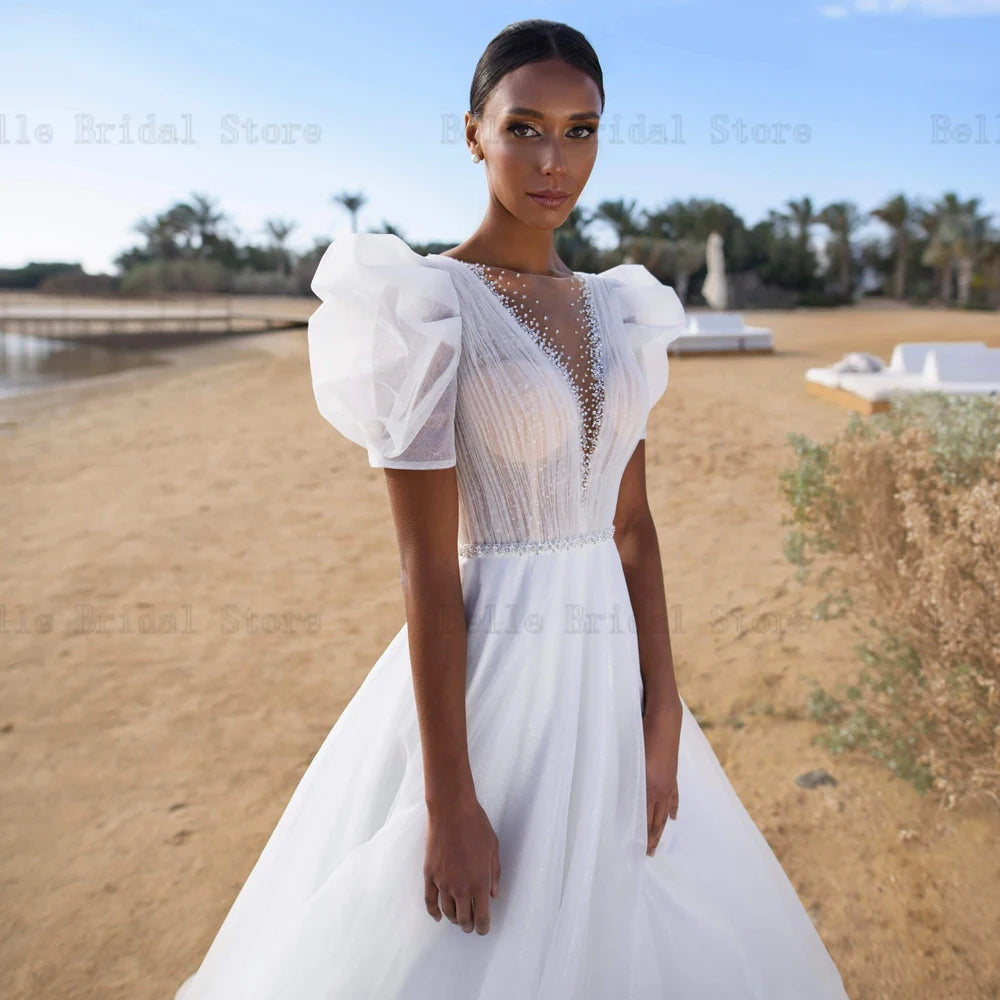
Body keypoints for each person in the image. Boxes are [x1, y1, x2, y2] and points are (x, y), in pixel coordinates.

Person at [174, 18, 851, 999]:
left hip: (608, 669)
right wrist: (449, 800)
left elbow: (633, 526)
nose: (552, 159)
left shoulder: (621, 309)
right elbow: (424, 566)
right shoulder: (425, 307)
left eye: (580, 131)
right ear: (472, 133)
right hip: (495, 675)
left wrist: (662, 710)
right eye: (525, 126)